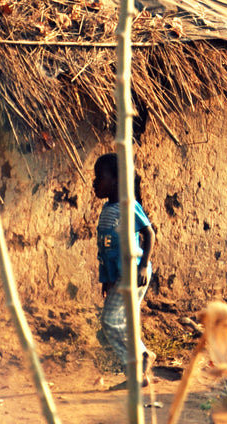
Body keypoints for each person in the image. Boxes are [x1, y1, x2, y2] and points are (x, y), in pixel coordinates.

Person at [92, 152, 155, 385]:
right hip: (118, 276)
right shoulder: (107, 210)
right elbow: (106, 251)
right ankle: (138, 374)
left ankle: (140, 358)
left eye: (100, 177)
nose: (95, 182)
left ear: (117, 181)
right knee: (121, 321)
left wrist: (144, 266)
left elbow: (149, 233)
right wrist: (106, 280)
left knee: (110, 321)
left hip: (133, 273)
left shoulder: (129, 205)